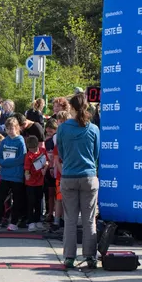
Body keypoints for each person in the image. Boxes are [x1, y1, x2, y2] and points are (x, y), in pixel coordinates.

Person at [57, 93, 100, 269]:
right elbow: (96, 154)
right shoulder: (94, 129)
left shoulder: (63, 128)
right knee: (89, 220)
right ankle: (90, 257)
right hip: (88, 176)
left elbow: (60, 152)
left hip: (69, 176)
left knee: (70, 219)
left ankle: (69, 257)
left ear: (71, 108)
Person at [0, 117, 26, 231]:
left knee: (17, 200)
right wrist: (5, 163)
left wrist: (8, 163)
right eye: (8, 129)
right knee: (0, 199)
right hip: (5, 175)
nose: (10, 131)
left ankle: (14, 222)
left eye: (12, 128)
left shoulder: (20, 141)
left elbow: (21, 158)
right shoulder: (4, 141)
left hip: (16, 176)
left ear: (17, 128)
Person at [24, 135, 48, 231]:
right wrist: (27, 175)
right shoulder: (28, 156)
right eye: (31, 149)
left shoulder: (42, 151)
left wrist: (45, 169)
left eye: (35, 148)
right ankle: (31, 222)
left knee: (39, 201)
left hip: (40, 181)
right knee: (31, 202)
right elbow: (26, 169)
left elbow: (47, 162)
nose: (33, 150)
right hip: (30, 183)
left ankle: (38, 220)